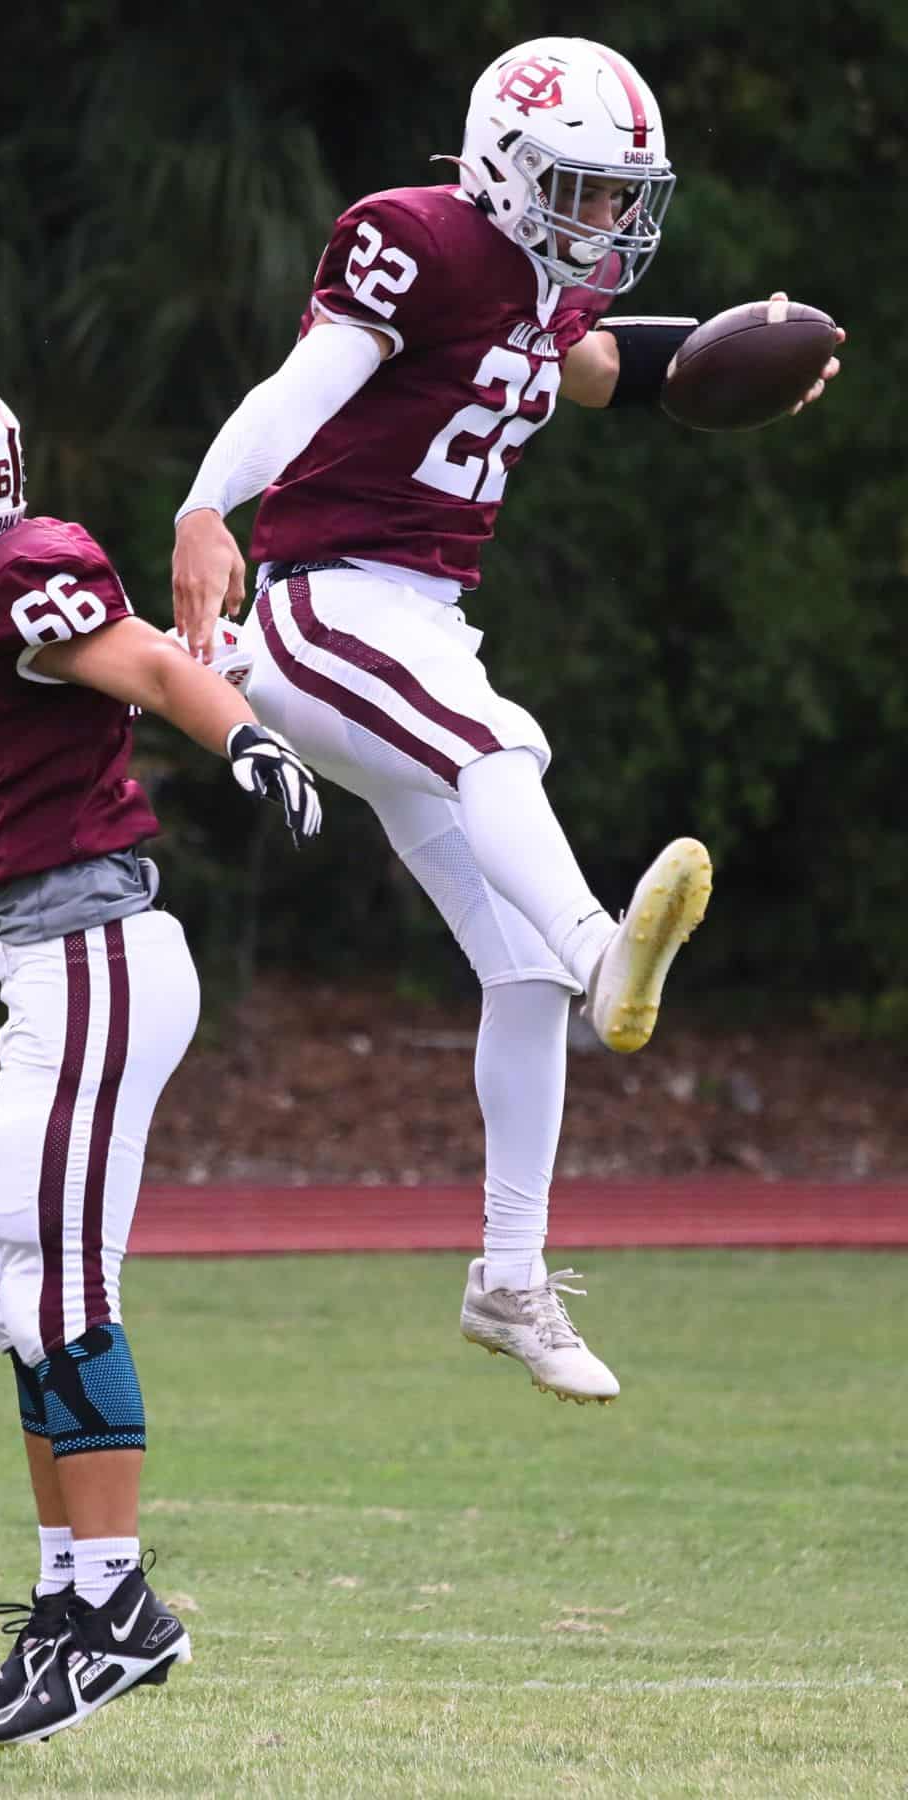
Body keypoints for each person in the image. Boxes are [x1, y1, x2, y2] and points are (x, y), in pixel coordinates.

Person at [171, 37, 844, 1405]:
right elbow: (301, 390)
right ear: (502, 164)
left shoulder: (554, 283)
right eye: (582, 189)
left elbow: (598, 367)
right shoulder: (415, 239)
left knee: (514, 969)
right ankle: (611, 952)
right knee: (497, 746)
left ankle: (510, 1278)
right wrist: (204, 506)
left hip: (422, 620)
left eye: (620, 195)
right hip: (323, 607)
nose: (605, 219)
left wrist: (745, 361)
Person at [0, 363, 321, 1747]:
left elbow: (143, 661)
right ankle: (69, 1602)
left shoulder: (3, 574)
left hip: (94, 956)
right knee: (18, 1294)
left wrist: (247, 740)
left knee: (64, 1286)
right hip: (47, 963)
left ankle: (120, 1609)